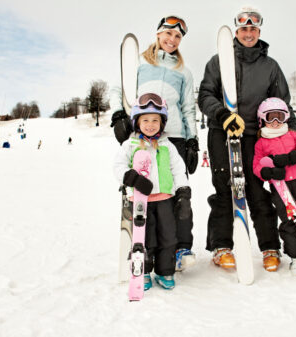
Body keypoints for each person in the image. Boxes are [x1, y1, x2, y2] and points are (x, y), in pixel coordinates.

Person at [198, 6, 296, 272]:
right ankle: (221, 246)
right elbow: (205, 95)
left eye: (253, 29)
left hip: (256, 136)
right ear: (237, 31)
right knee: (225, 189)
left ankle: (270, 247)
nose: (248, 33)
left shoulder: (270, 66)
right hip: (223, 132)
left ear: (259, 32)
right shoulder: (218, 60)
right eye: (244, 29)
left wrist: (293, 139)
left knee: (256, 189)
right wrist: (222, 114)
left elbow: (282, 104)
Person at [109, 15, 198, 271]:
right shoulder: (139, 63)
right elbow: (119, 90)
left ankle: (180, 247)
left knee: (177, 195)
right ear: (158, 34)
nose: (172, 40)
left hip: (174, 137)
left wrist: (192, 141)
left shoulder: (184, 72)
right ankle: (142, 245)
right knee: (143, 190)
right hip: (141, 135)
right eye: (169, 34)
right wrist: (118, 115)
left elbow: (188, 108)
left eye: (178, 36)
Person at [113, 93, 191, 290]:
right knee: (145, 238)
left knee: (168, 237)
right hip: (141, 201)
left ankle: (165, 272)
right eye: (145, 120)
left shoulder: (167, 146)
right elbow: (118, 166)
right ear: (137, 122)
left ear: (162, 123)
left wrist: (183, 193)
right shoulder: (129, 145)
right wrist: (134, 179)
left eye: (155, 120)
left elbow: (178, 170)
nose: (150, 124)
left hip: (165, 199)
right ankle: (144, 271)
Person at [252, 97, 296, 278]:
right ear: (262, 119)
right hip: (279, 187)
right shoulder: (261, 142)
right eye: (270, 117)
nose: (275, 122)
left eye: (279, 117)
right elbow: (257, 166)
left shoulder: (292, 135)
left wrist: (293, 157)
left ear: (285, 118)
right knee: (288, 220)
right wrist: (268, 172)